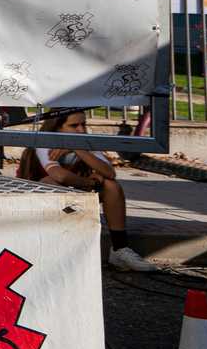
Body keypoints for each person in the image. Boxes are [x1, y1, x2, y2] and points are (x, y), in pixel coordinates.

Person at [20, 112, 157, 271]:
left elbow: (109, 173)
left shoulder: (85, 143)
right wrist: (88, 181)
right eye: (74, 126)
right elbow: (60, 176)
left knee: (111, 186)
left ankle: (119, 249)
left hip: (74, 190)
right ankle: (50, 249)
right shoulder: (45, 142)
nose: (81, 129)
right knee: (50, 183)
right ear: (57, 128)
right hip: (35, 198)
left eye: (83, 124)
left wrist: (79, 149)